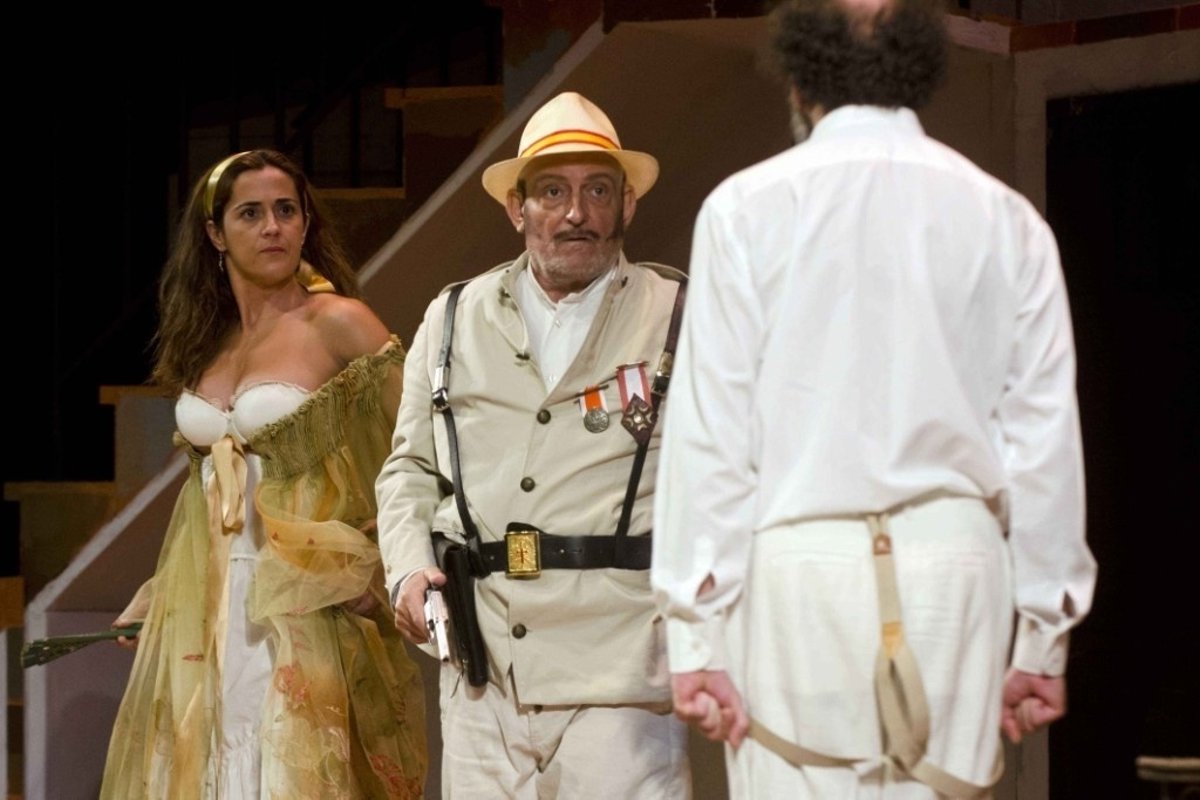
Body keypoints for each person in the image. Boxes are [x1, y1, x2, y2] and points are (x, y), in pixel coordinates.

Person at [650, 0, 1098, 797]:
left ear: (800, 77)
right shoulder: (1006, 219)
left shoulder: (745, 210)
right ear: (917, 67)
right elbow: (1043, 439)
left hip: (797, 564)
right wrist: (1043, 638)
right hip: (955, 563)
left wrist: (695, 636)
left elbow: (710, 433)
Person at [375, 91, 692, 798]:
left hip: (620, 670)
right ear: (516, 208)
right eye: (552, 192)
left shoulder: (678, 314)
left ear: (627, 204)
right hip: (484, 670)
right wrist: (407, 568)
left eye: (597, 190)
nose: (576, 212)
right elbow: (410, 467)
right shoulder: (452, 317)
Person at [100, 149, 427, 798]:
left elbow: (422, 454)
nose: (272, 227)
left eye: (286, 211)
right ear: (215, 233)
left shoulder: (339, 323)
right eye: (250, 214)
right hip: (209, 605)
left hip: (300, 602)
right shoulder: (205, 341)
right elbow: (208, 497)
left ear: (306, 224)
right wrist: (163, 586)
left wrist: (378, 568)